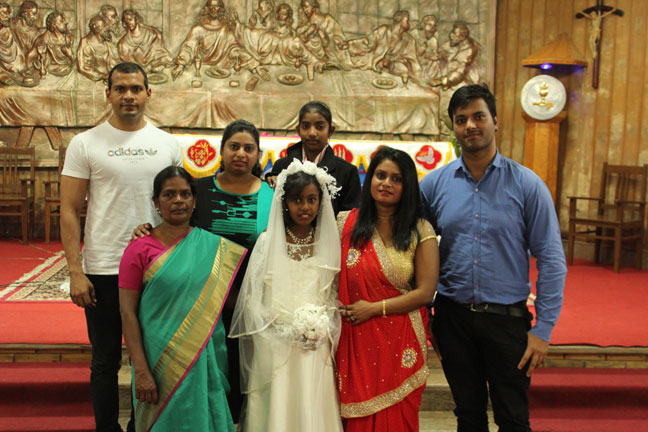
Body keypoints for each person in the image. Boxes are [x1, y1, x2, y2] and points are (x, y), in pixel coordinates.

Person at [419, 84, 567, 432]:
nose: (470, 125)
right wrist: (427, 315)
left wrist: (543, 330)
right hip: (453, 320)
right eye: (461, 119)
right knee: (468, 417)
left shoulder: (527, 185)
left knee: (513, 419)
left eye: (478, 116)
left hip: (507, 321)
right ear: (454, 128)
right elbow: (412, 250)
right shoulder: (434, 185)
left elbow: (551, 259)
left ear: (495, 121)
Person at [60, 62, 182, 432]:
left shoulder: (167, 144)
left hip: (157, 267)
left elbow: (178, 205)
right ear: (108, 93)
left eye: (135, 88)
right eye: (120, 89)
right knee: (105, 361)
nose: (128, 96)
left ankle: (145, 427)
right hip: (104, 266)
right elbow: (69, 209)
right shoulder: (85, 143)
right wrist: (75, 271)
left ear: (148, 93)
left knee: (156, 357)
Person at [132, 119, 274, 423]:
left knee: (242, 371)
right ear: (221, 150)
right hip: (198, 298)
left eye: (248, 148)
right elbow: (175, 229)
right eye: (234, 146)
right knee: (204, 375)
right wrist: (146, 229)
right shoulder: (199, 189)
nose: (241, 153)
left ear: (258, 154)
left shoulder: (271, 194)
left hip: (251, 299)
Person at [119, 166, 246, 432]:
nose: (178, 200)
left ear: (194, 200)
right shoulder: (139, 249)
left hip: (203, 360)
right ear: (156, 202)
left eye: (185, 194)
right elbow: (127, 313)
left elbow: (235, 302)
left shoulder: (212, 247)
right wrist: (140, 370)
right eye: (169, 194)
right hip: (157, 361)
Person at [229, 159, 343, 432]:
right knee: (277, 407)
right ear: (284, 202)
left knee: (312, 406)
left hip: (315, 345)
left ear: (320, 202)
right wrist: (281, 330)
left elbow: (333, 296)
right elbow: (252, 299)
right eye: (297, 200)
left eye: (311, 200)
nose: (305, 207)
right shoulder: (267, 242)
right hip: (274, 345)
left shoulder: (329, 243)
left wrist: (321, 325)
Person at [336, 146, 439, 431]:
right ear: (369, 179)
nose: (386, 183)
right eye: (380, 175)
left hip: (400, 339)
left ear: (408, 186)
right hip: (354, 337)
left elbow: (425, 292)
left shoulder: (420, 229)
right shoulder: (345, 223)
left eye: (396, 179)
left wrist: (374, 308)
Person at [266, 101, 361, 215]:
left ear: (330, 131)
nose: (312, 133)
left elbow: (349, 218)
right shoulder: (282, 166)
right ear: (298, 130)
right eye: (306, 126)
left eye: (319, 127)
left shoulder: (347, 172)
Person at [118, 9, 172, 73]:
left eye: (130, 19)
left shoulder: (150, 33)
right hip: (140, 70)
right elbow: (131, 62)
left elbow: (159, 48)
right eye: (126, 21)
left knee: (167, 58)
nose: (128, 23)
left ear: (136, 19)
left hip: (154, 63)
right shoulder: (123, 43)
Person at [26, 10, 74, 77]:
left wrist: (70, 55)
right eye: (61, 21)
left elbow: (75, 61)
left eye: (64, 20)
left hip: (67, 72)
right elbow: (30, 57)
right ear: (53, 24)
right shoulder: (43, 40)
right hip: (49, 74)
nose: (65, 22)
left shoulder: (69, 38)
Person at [77, 15, 119, 81]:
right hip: (95, 80)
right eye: (103, 26)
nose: (107, 28)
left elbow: (116, 60)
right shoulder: (86, 43)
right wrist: (103, 76)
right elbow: (83, 67)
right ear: (96, 29)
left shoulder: (108, 41)